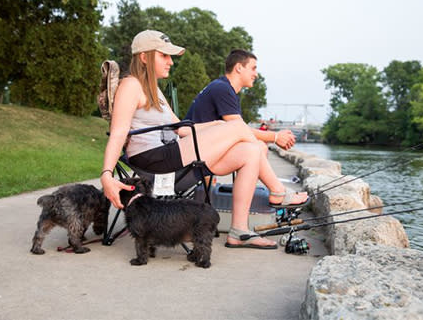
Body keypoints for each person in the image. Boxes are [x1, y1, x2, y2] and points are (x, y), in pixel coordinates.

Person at [100, 30, 308, 250]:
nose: (171, 61)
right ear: (144, 57)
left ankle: (239, 231)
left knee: (251, 151)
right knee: (238, 127)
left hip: (171, 155)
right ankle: (278, 192)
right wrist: (107, 174)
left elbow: (180, 129)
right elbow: (119, 132)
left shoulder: (154, 91)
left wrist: (217, 126)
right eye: (164, 56)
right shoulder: (130, 85)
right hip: (153, 160)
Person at [185, 49, 297, 151]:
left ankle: (269, 175)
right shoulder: (222, 88)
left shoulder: (223, 87)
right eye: (253, 68)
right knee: (258, 148)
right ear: (238, 68)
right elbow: (240, 128)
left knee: (258, 146)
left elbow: (240, 130)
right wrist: (276, 137)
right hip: (195, 149)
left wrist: (275, 137)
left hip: (201, 144)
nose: (256, 75)